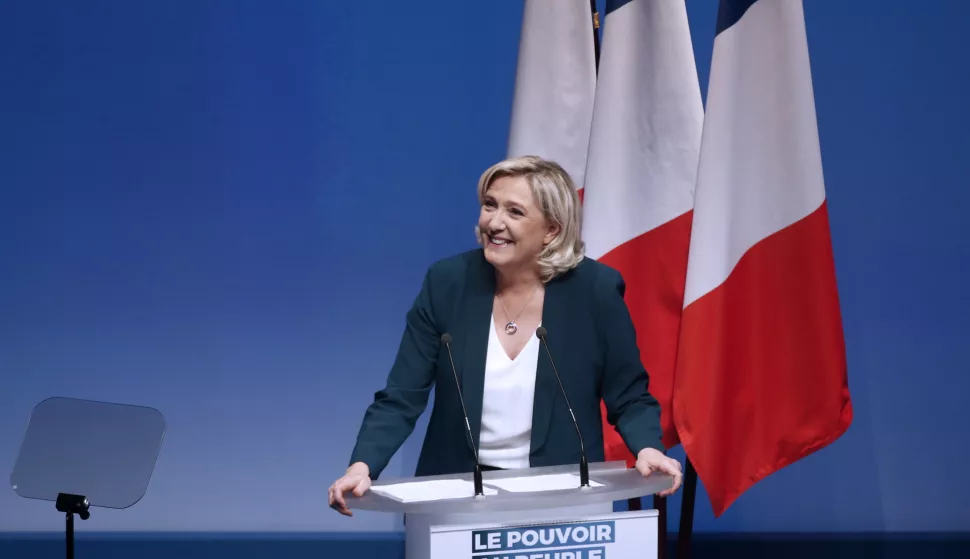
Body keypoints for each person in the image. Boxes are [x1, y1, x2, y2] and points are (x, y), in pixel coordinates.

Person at [328, 155, 682, 516]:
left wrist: (647, 448)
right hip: (458, 493)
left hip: (564, 494)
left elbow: (628, 394)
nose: (493, 223)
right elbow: (402, 395)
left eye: (514, 212)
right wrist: (362, 466)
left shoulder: (595, 291)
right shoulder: (447, 283)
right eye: (489, 205)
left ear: (552, 230)